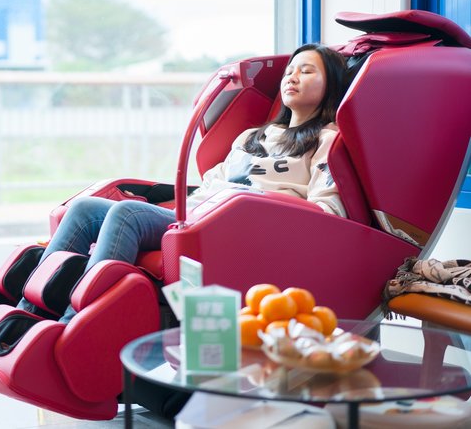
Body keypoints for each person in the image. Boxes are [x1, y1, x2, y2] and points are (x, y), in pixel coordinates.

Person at [19, 43, 349, 323]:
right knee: (83, 209)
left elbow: (328, 212)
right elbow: (212, 183)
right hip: (201, 215)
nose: (292, 76)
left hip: (245, 227)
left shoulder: (327, 140)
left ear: (330, 86)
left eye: (307, 71)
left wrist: (260, 205)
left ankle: (75, 324)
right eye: (290, 70)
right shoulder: (251, 136)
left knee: (127, 214)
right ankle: (26, 316)